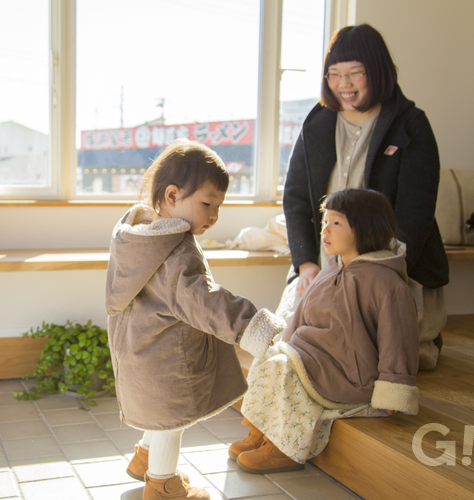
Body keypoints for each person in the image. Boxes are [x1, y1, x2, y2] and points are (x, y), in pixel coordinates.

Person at [105, 139, 286, 500]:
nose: (214, 215)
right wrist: (252, 326)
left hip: (140, 351)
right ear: (172, 195)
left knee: (158, 415)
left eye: (219, 205)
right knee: (172, 421)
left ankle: (144, 459)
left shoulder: (137, 237)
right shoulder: (176, 251)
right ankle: (163, 485)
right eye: (207, 203)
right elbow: (203, 300)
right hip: (168, 359)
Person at [280, 24, 449, 370]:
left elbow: (415, 214)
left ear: (378, 71)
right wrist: (306, 264)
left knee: (377, 354)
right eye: (334, 74)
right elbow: (296, 199)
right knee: (292, 344)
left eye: (356, 73)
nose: (344, 84)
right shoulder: (318, 123)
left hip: (389, 270)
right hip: (326, 265)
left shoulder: (411, 124)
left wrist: (375, 275)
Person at [230, 188, 420, 473]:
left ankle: (285, 447)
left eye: (337, 223)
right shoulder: (332, 268)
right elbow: (300, 315)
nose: (325, 230)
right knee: (270, 360)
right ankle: (261, 430)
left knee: (289, 373)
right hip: (313, 357)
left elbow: (398, 340)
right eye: (325, 223)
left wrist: (394, 389)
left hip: (350, 373)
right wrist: (285, 345)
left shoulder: (387, 283)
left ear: (366, 227)